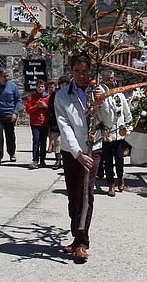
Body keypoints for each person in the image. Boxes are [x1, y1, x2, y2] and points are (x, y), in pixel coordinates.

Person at [54, 53, 116, 262]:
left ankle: (82, 242)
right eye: (76, 71)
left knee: (86, 194)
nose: (81, 75)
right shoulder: (62, 95)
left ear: (91, 71)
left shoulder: (100, 90)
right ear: (71, 71)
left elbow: (109, 121)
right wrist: (77, 153)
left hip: (93, 149)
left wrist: (102, 101)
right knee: (74, 196)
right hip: (72, 152)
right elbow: (64, 126)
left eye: (85, 71)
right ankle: (76, 237)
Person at [100, 70, 132, 196]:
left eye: (112, 78)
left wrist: (128, 128)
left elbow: (127, 114)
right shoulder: (100, 95)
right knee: (108, 161)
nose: (111, 81)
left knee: (119, 159)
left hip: (119, 134)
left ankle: (120, 177)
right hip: (107, 135)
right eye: (108, 78)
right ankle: (111, 184)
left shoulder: (120, 95)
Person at [25, 79, 50, 169]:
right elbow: (28, 110)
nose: (40, 88)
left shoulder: (48, 97)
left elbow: (51, 110)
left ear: (44, 88)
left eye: (42, 86)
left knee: (43, 142)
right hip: (35, 123)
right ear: (36, 87)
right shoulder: (31, 97)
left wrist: (45, 106)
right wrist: (37, 106)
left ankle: (42, 160)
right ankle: (35, 160)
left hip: (45, 123)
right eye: (38, 87)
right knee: (36, 141)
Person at [47, 76, 69, 169]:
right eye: (62, 84)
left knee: (67, 141)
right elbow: (50, 105)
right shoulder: (55, 94)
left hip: (68, 120)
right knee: (57, 141)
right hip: (56, 120)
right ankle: (58, 160)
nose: (64, 86)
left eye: (65, 84)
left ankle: (66, 161)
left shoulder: (71, 93)